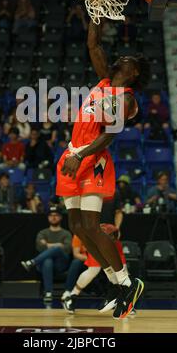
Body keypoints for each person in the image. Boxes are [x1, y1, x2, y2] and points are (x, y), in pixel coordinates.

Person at [56, 20, 150, 319]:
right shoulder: (105, 82)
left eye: (127, 59)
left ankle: (126, 281)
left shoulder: (125, 98)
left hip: (92, 159)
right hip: (73, 153)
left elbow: (109, 135)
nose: (121, 57)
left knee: (92, 225)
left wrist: (81, 153)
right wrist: (94, 12)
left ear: (133, 71)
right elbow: (93, 45)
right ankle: (116, 285)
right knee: (77, 228)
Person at [62, 224, 129, 315]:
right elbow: (76, 253)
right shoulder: (84, 233)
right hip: (96, 245)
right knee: (94, 269)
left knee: (123, 272)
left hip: (112, 243)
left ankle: (127, 301)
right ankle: (72, 296)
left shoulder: (113, 236)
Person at [21, 206, 72, 302]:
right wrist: (58, 245)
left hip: (61, 264)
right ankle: (48, 292)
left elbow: (67, 249)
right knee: (48, 261)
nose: (53, 217)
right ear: (48, 218)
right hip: (44, 264)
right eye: (51, 215)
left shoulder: (66, 233)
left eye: (56, 215)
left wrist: (49, 245)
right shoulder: (42, 233)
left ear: (60, 217)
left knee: (56, 250)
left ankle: (32, 262)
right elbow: (40, 247)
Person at [61, 234, 88, 303]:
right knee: (75, 262)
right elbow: (76, 254)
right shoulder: (78, 236)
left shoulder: (98, 234)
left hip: (99, 261)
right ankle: (68, 291)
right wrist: (90, 260)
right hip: (85, 261)